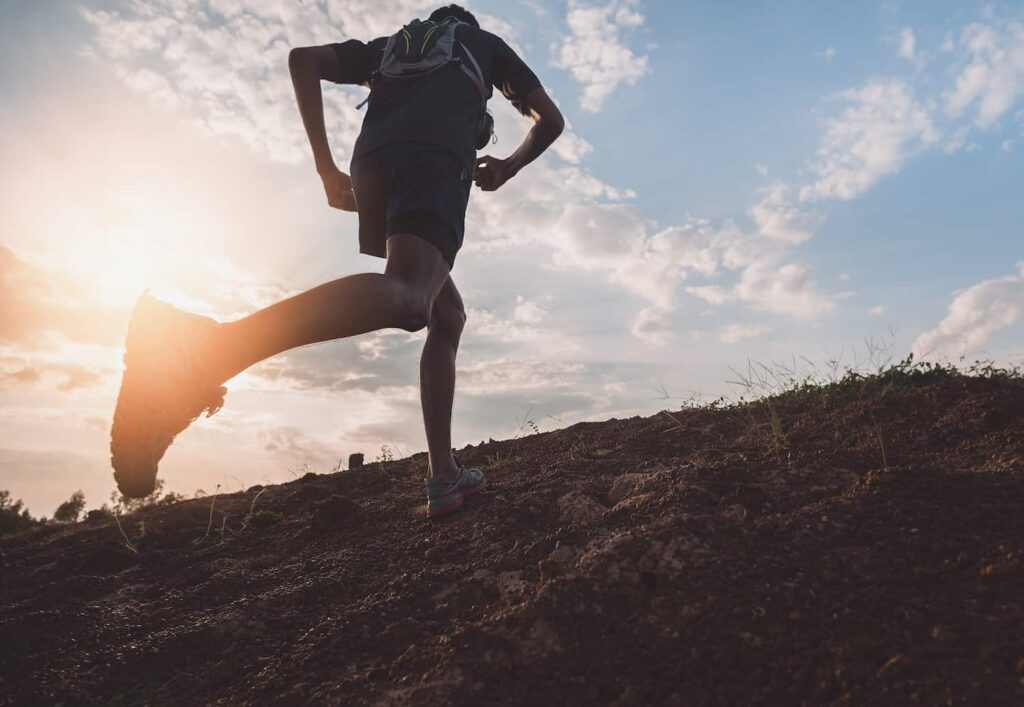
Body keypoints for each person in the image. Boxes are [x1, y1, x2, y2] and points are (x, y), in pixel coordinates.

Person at [109, 4, 565, 518]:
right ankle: (209, 350)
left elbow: (303, 60)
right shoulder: (483, 44)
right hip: (435, 160)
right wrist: (507, 166)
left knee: (446, 312)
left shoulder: (392, 45)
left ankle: (443, 476)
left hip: (371, 165)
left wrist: (326, 168)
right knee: (413, 297)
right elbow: (550, 120)